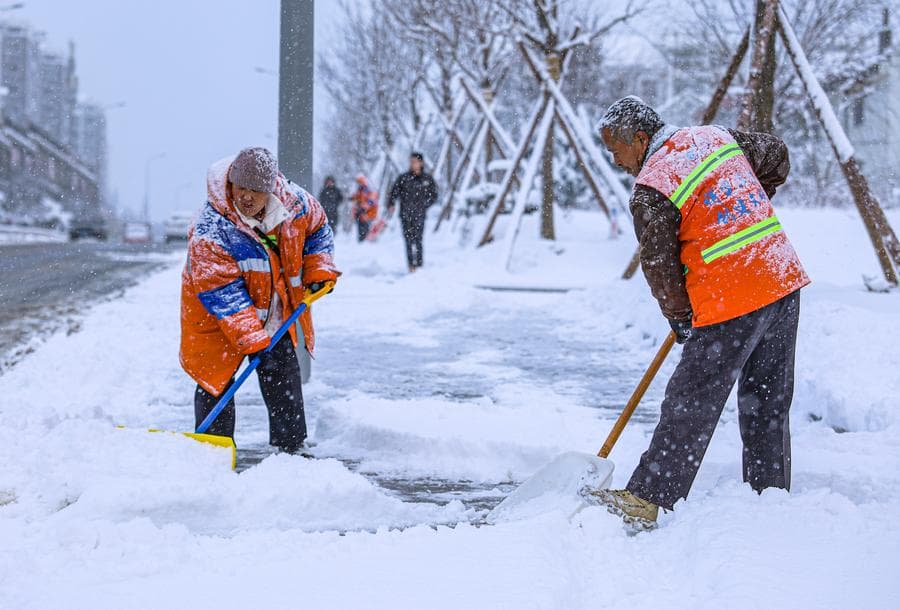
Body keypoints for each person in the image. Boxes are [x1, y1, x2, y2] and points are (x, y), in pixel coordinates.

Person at [594, 96, 810, 528]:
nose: (616, 161)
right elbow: (777, 155)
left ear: (639, 139)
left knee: (690, 399)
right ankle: (768, 495)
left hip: (732, 295)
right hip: (779, 275)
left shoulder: (652, 187)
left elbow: (660, 268)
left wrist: (678, 316)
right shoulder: (715, 138)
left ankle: (650, 497)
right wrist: (742, 205)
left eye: (616, 151)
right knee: (766, 398)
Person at [180, 147, 339, 453]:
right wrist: (253, 337)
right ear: (231, 185)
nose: (247, 198)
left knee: (281, 369)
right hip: (214, 315)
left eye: (255, 191)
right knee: (216, 379)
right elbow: (223, 295)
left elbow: (319, 230)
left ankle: (291, 446)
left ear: (270, 188)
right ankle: (213, 450)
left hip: (272, 305)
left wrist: (318, 267)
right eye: (241, 189)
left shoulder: (296, 204)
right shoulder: (210, 230)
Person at [388, 152, 438, 272]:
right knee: (408, 240)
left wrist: (424, 205)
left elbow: (434, 195)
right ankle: (411, 266)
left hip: (420, 215)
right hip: (405, 214)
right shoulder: (404, 178)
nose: (412, 164)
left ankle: (419, 265)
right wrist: (391, 204)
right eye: (411, 161)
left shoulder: (427, 179)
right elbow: (394, 192)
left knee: (418, 240)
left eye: (415, 161)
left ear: (421, 163)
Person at [351, 174, 378, 242]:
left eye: (360, 182)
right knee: (361, 227)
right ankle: (362, 241)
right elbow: (358, 197)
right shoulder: (360, 190)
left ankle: (366, 241)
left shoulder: (368, 190)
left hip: (367, 213)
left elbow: (371, 201)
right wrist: (353, 198)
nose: (359, 184)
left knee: (365, 227)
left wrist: (363, 207)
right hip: (361, 213)